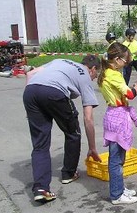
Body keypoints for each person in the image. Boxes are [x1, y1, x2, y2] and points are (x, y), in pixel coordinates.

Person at [23, 55, 102, 203]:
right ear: (92, 69)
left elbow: (30, 73)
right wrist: (92, 147)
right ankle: (69, 173)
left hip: (30, 91)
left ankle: (41, 188)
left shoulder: (59, 61)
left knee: (40, 143)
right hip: (54, 92)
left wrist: (30, 109)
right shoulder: (84, 74)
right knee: (73, 132)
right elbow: (88, 118)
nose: (93, 79)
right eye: (95, 75)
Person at [98, 42, 137, 205]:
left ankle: (119, 188)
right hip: (117, 119)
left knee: (119, 157)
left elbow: (124, 94)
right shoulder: (114, 75)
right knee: (116, 160)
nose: (127, 64)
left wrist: (134, 89)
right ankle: (116, 195)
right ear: (117, 59)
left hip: (114, 115)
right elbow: (130, 95)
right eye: (125, 61)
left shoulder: (107, 73)